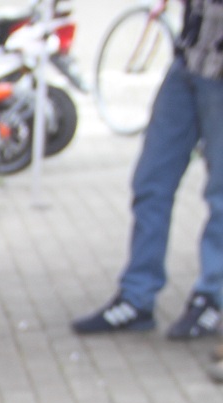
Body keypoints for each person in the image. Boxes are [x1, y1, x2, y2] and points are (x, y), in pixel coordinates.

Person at [74, 0, 223, 340]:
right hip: (189, 58)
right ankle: (137, 296)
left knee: (220, 194)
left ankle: (211, 298)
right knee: (151, 180)